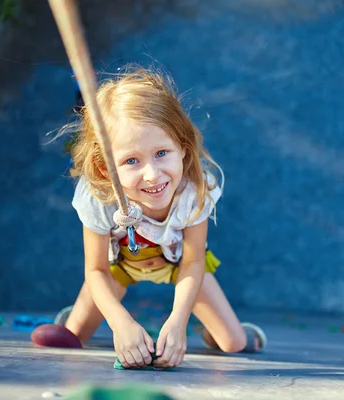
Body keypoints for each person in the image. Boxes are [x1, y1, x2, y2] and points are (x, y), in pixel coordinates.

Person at [57, 65, 267, 369]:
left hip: (178, 264)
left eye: (161, 153)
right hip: (119, 266)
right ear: (106, 168)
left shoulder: (195, 190)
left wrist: (178, 322)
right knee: (74, 335)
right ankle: (76, 313)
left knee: (234, 344)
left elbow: (193, 262)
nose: (152, 175)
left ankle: (215, 331)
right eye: (131, 160)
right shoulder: (98, 198)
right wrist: (121, 324)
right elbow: (96, 270)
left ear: (182, 148)